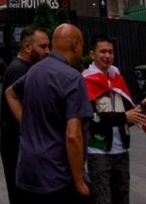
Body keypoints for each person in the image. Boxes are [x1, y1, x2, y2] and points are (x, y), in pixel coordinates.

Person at [5, 23, 91, 203]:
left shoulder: (35, 69)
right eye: (82, 44)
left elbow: (10, 93)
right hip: (56, 176)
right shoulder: (73, 78)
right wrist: (79, 181)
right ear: (75, 45)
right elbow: (73, 135)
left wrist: (26, 123)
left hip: (27, 172)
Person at [84, 34, 146, 204]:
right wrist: (123, 117)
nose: (107, 56)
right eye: (102, 52)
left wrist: (145, 104)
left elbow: (130, 112)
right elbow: (90, 117)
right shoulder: (85, 81)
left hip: (121, 150)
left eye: (110, 52)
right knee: (102, 199)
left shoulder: (117, 78)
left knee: (122, 197)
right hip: (98, 150)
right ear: (92, 54)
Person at [0, 27, 50, 202]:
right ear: (28, 47)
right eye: (43, 47)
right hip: (17, 146)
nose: (47, 51)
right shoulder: (20, 70)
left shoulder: (26, 68)